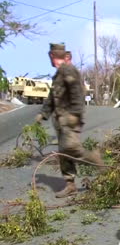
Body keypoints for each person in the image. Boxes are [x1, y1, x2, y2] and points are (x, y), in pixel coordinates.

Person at [35, 43, 103, 198]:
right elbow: (53, 98)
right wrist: (43, 114)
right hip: (61, 120)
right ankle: (70, 184)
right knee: (64, 153)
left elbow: (77, 92)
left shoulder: (68, 69)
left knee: (71, 148)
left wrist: (75, 114)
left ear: (52, 56)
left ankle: (95, 159)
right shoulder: (59, 73)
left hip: (70, 119)